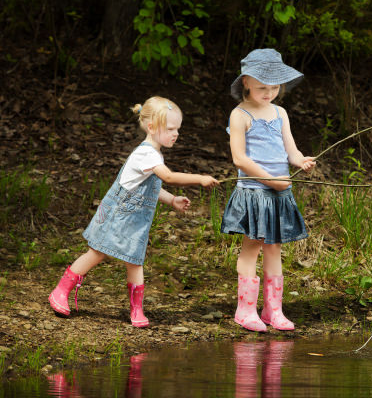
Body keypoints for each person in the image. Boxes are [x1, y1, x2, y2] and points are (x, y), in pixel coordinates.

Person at [48, 96, 219, 327]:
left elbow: (150, 188)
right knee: (97, 252)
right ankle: (60, 290)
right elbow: (168, 177)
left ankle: (136, 309)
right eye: (170, 128)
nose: (175, 133)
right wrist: (200, 178)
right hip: (118, 213)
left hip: (136, 220)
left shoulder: (155, 154)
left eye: (178, 128)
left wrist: (172, 200)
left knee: (135, 261)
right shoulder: (146, 153)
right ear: (151, 127)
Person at [221, 48, 316, 332]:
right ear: (246, 81)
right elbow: (240, 159)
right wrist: (270, 180)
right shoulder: (240, 115)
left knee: (274, 249)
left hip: (279, 192)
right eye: (262, 87)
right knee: (252, 248)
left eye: (274, 87)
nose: (269, 93)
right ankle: (245, 309)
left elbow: (290, 149)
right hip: (254, 191)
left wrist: (300, 160)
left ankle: (273, 310)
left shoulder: (280, 112)